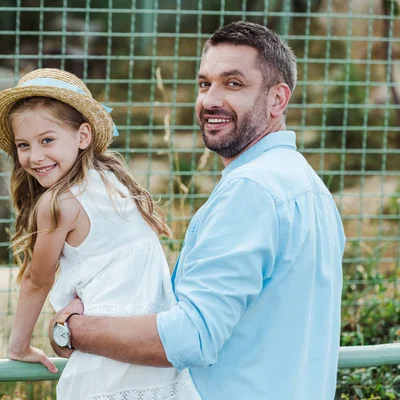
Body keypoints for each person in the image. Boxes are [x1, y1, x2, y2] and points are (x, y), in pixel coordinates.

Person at [49, 20, 346, 400]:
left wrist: (73, 329)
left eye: (233, 83)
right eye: (205, 83)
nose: (210, 100)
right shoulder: (311, 189)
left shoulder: (250, 190)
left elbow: (192, 337)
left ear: (278, 99)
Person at [0, 68, 201, 399]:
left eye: (47, 140)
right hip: (155, 355)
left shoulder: (59, 205)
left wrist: (20, 345)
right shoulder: (118, 184)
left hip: (106, 364)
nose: (35, 156)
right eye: (23, 145)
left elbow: (36, 280)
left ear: (83, 136)